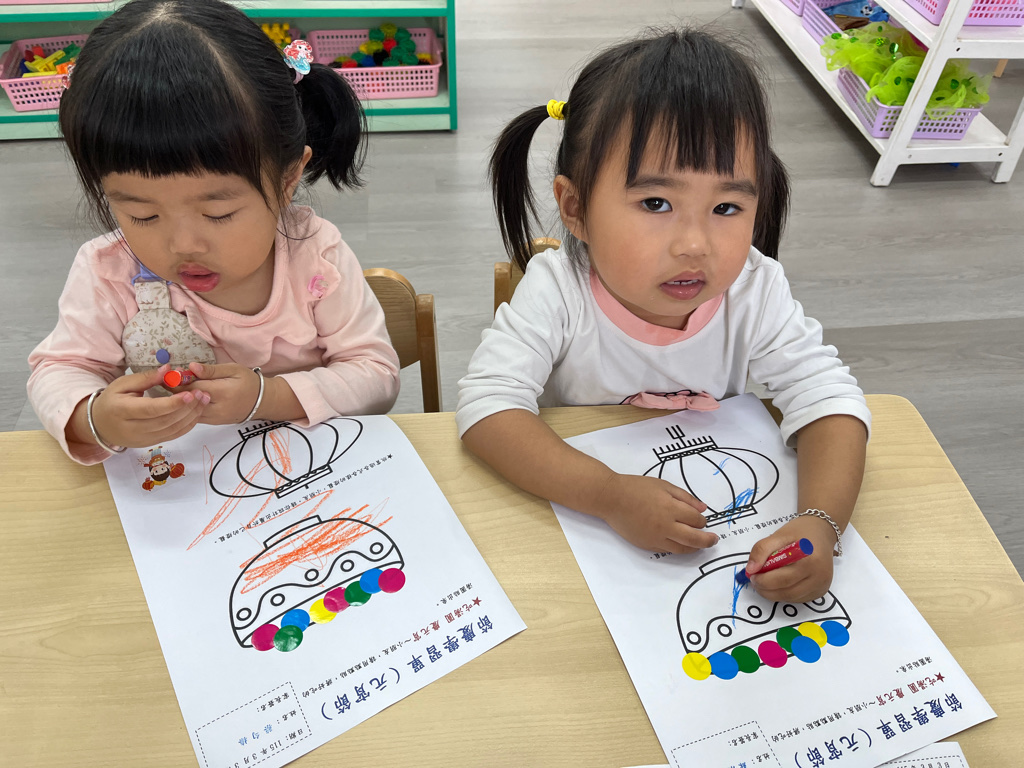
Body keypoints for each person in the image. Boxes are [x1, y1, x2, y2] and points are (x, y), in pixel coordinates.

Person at [457, 28, 871, 603]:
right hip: (579, 533)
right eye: (656, 203)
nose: (695, 245)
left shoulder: (754, 289)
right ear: (575, 207)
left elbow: (829, 399)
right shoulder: (558, 289)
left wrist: (821, 524)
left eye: (726, 206)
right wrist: (607, 495)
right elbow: (487, 408)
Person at [28, 0, 400, 466]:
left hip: (308, 470)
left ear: (288, 179)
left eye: (218, 212)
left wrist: (269, 397)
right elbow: (60, 369)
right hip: (180, 483)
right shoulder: (109, 271)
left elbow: (377, 375)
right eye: (143, 215)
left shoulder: (316, 259)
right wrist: (93, 417)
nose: (183, 244)